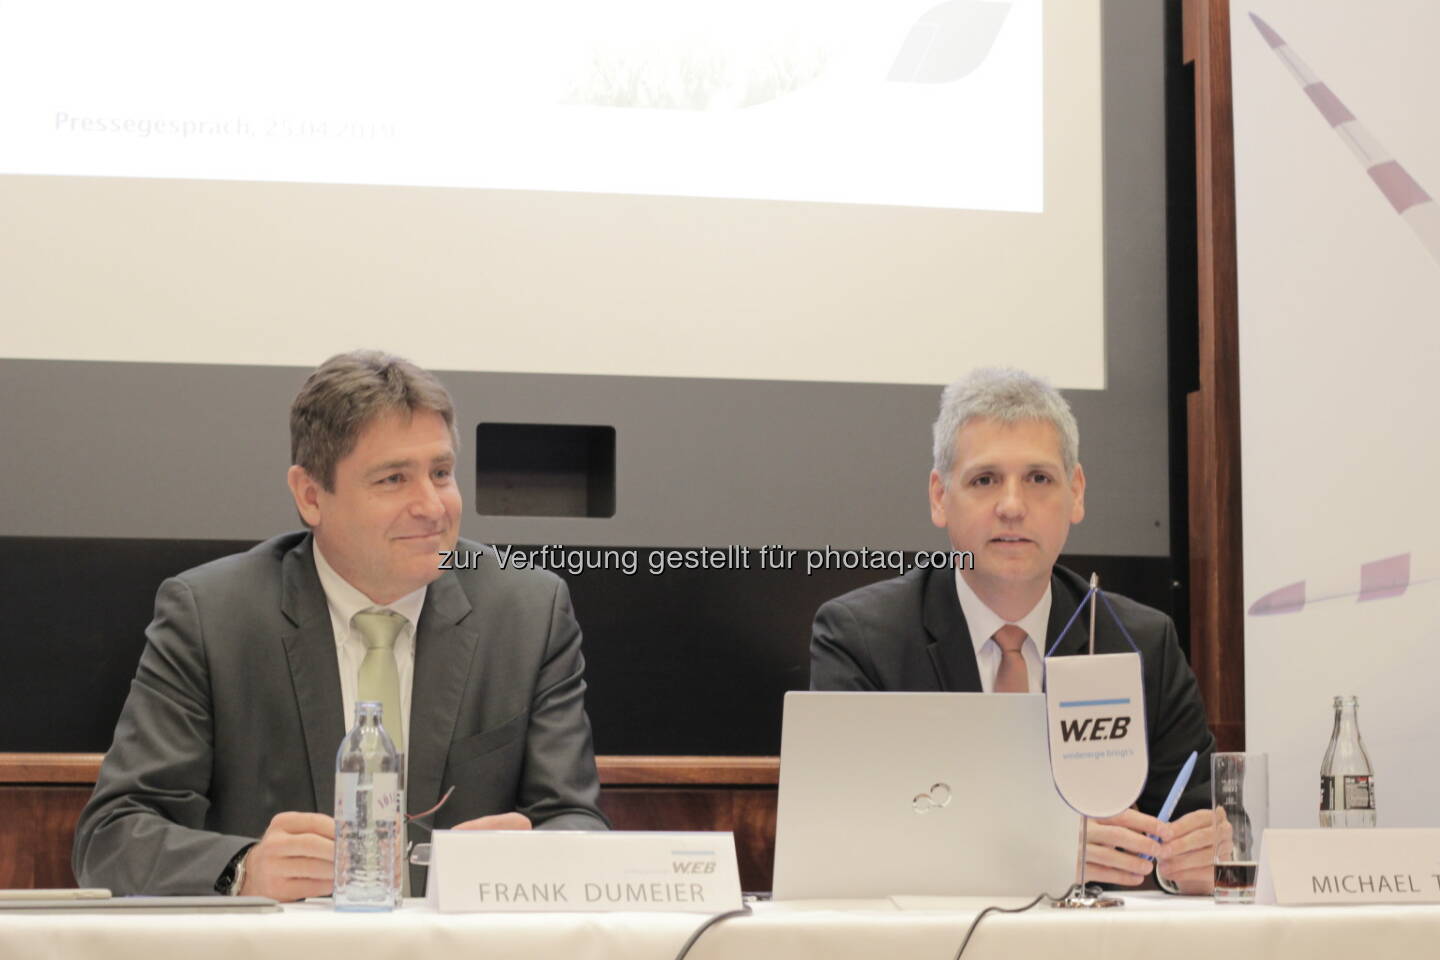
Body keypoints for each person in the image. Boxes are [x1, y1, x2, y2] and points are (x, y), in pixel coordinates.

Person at [73, 350, 607, 900]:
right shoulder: (212, 617)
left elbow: (576, 822)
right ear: (310, 496)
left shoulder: (527, 612)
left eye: (441, 473)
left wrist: (535, 857)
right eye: (393, 479)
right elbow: (112, 838)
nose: (432, 505)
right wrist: (245, 868)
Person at [810, 367, 1217, 894]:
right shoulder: (861, 638)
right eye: (984, 480)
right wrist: (1047, 847)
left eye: (1039, 479)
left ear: (1075, 493)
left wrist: (1194, 855)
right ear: (939, 496)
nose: (1012, 505)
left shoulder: (1142, 641)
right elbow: (845, 836)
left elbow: (1191, 817)